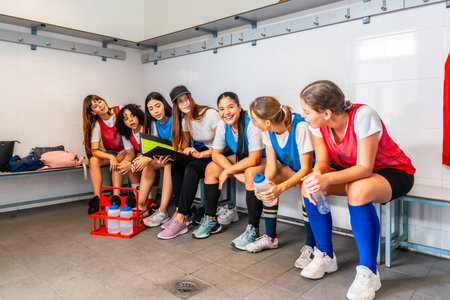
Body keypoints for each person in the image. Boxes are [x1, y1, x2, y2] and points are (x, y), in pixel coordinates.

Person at [299, 80, 415, 300]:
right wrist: (316, 176)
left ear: (325, 113)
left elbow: (364, 168)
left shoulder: (363, 115)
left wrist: (327, 178)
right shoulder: (316, 125)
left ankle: (369, 272)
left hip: (394, 172)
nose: (302, 115)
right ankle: (325, 255)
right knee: (309, 189)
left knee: (358, 190)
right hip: (353, 173)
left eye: (306, 111)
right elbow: (322, 162)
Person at [191, 92, 265, 246]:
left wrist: (228, 171)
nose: (226, 112)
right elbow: (216, 154)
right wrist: (235, 172)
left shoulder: (250, 122)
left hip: (264, 158)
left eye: (230, 107)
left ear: (239, 107)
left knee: (251, 174)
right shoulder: (223, 125)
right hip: (242, 159)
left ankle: (253, 229)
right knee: (211, 168)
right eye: (222, 109)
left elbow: (254, 159)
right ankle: (210, 219)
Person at [246, 96, 314, 256]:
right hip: (293, 170)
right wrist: (264, 187)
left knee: (306, 187)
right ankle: (271, 238)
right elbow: (271, 165)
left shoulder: (300, 127)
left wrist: (280, 188)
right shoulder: (267, 132)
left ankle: (311, 246)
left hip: (312, 171)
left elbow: (306, 169)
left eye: (254, 120)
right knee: (268, 186)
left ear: (267, 122)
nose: (252, 123)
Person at [157, 85, 220, 239]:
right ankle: (181, 212)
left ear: (191, 98)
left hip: (219, 154)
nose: (185, 103)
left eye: (186, 98)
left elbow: (223, 146)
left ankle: (180, 218)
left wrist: (200, 154)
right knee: (176, 163)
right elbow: (183, 148)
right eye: (180, 101)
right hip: (205, 154)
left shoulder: (210, 114)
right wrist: (168, 156)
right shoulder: (185, 119)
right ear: (176, 106)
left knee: (191, 167)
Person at [82, 95, 131, 214]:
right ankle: (97, 199)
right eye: (95, 106)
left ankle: (116, 199)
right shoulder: (97, 124)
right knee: (93, 160)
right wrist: (111, 157)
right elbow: (94, 150)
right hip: (112, 153)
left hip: (128, 150)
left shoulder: (121, 110)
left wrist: (120, 155)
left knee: (118, 161)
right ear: (93, 112)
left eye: (100, 101)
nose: (100, 105)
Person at [132, 92, 174, 227]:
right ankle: (141, 206)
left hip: (178, 155)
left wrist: (147, 157)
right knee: (148, 165)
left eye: (158, 106)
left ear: (164, 105)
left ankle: (163, 212)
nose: (155, 111)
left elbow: (176, 147)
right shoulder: (154, 123)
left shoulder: (174, 119)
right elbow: (153, 147)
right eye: (151, 109)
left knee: (168, 165)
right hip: (166, 155)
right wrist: (143, 158)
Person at [115, 104, 155, 216]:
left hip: (154, 157)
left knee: (143, 163)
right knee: (129, 166)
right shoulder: (126, 133)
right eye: (126, 118)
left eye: (132, 116)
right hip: (142, 156)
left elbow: (153, 150)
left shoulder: (148, 126)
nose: (130, 120)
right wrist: (125, 163)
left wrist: (134, 160)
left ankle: (151, 200)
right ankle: (139, 200)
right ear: (123, 122)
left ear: (138, 115)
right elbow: (130, 153)